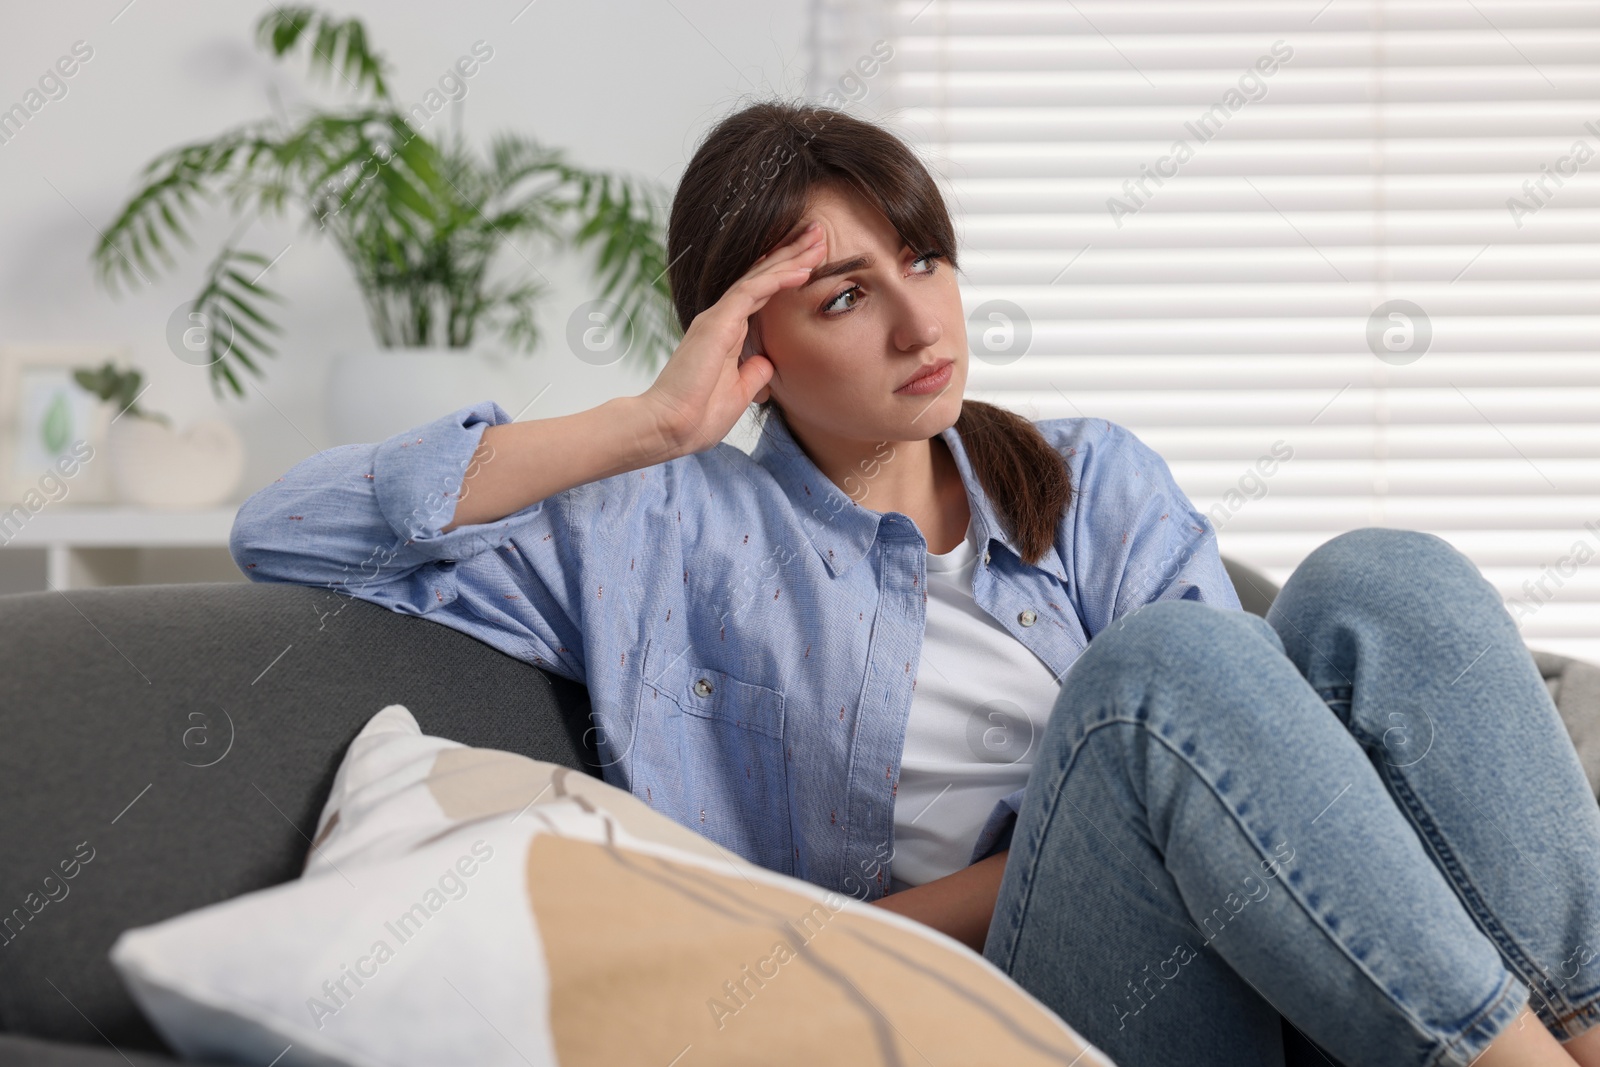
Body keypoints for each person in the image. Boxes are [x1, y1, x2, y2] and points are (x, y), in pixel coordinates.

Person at [229, 100, 1600, 1066]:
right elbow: (290, 531)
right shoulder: (656, 526)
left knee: (1386, 576)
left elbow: (1257, 776)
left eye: (924, 260)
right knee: (1154, 682)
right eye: (841, 297)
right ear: (742, 336)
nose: (917, 321)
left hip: (1300, 959)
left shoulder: (1092, 480)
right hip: (1049, 1004)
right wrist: (648, 423)